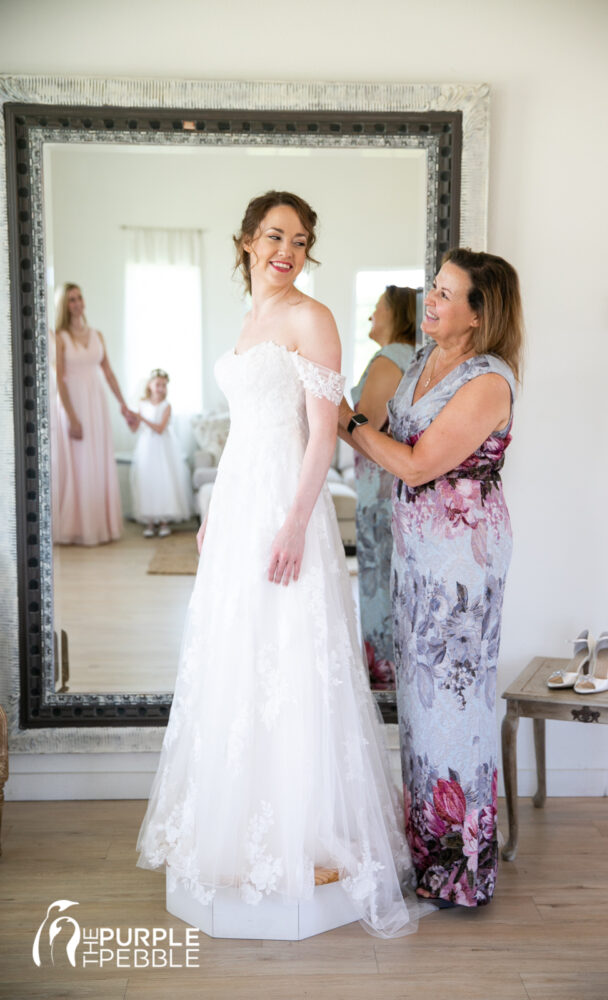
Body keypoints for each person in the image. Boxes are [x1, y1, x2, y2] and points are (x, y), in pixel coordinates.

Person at [137, 191, 417, 938]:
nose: (285, 249)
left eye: (298, 238)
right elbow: (246, 434)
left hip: (286, 509)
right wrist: (214, 516)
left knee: (288, 659)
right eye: (272, 235)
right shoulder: (251, 320)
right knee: (235, 655)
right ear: (245, 242)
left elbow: (320, 437)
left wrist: (296, 521)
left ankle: (297, 835)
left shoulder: (311, 318)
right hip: (237, 504)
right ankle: (238, 827)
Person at [339, 248, 523, 908]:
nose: (430, 301)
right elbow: (388, 432)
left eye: (445, 293)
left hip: (459, 569)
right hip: (415, 558)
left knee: (453, 709)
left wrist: (348, 420)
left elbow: (415, 466)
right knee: (419, 709)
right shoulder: (420, 361)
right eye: (432, 289)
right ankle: (428, 859)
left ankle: (462, 872)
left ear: (478, 314)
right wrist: (351, 419)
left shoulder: (487, 381)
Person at [351, 286, 416, 689]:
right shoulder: (414, 359)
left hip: (379, 493)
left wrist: (328, 406)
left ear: (396, 314)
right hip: (391, 488)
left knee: (378, 586)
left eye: (376, 310)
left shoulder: (389, 359)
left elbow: (365, 428)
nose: (370, 318)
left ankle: (384, 684)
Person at [53, 283, 136, 546]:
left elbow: (108, 373)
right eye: (71, 300)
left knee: (97, 462)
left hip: (96, 405)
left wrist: (124, 405)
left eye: (79, 298)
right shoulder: (59, 337)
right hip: (73, 404)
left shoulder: (97, 335)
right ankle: (77, 529)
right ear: (64, 306)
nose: (77, 303)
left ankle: (100, 526)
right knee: (79, 464)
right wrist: (72, 417)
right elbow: (59, 380)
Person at [130, 368, 193, 538]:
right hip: (146, 448)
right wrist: (132, 419)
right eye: (158, 384)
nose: (161, 388)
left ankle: (164, 521)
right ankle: (150, 522)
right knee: (148, 481)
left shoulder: (167, 406)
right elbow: (135, 428)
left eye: (164, 385)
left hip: (163, 447)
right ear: (150, 385)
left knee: (164, 480)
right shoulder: (142, 405)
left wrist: (141, 418)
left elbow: (159, 428)